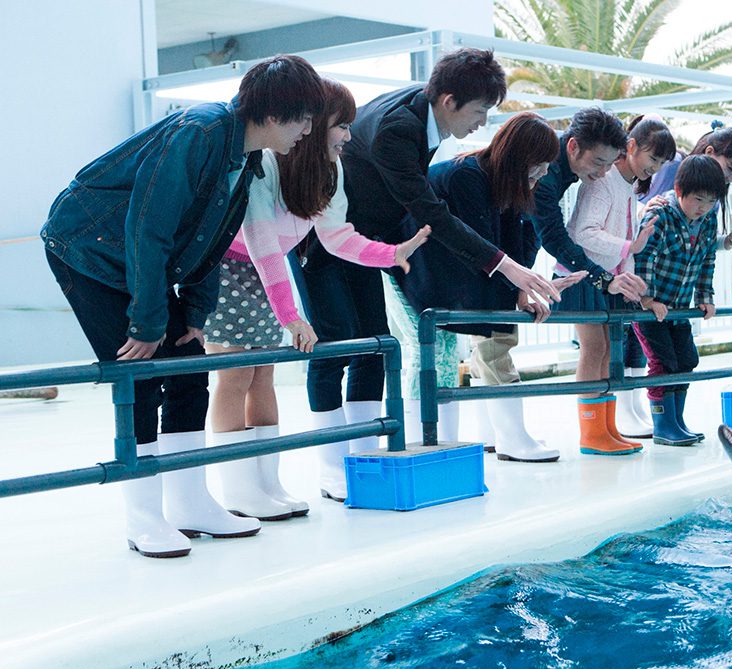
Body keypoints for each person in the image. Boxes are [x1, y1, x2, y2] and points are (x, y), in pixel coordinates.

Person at [40, 55, 326, 558]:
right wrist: (148, 320)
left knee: (192, 371)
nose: (307, 131)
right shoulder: (198, 132)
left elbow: (208, 240)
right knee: (141, 376)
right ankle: (144, 517)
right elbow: (147, 228)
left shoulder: (247, 157)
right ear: (276, 112)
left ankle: (191, 503)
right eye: (304, 118)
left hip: (135, 259)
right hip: (88, 251)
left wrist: (195, 313)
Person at [291, 48, 558, 472]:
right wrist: (506, 266)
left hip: (365, 243)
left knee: (375, 346)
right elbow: (431, 211)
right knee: (334, 346)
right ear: (449, 100)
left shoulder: (422, 110)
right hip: (321, 241)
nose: (483, 122)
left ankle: (359, 459)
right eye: (480, 109)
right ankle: (330, 465)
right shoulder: (399, 129)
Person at [204, 79, 430, 513]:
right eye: (340, 126)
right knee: (235, 375)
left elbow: (336, 236)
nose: (348, 136)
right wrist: (291, 315)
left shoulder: (330, 170)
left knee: (263, 375)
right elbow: (264, 246)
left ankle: (266, 484)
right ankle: (237, 489)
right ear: (310, 126)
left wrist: (390, 253)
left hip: (266, 272)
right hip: (228, 267)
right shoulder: (264, 164)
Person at [389, 112, 581, 459]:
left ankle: (458, 442)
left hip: (443, 273)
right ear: (515, 158)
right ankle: (426, 444)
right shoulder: (468, 176)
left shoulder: (511, 186)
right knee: (429, 351)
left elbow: (520, 241)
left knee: (451, 350)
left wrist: (523, 290)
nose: (540, 176)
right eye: (535, 167)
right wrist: (517, 289)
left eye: (544, 168)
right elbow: (480, 248)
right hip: (406, 266)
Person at [560, 114, 675, 455]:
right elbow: (583, 233)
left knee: (609, 350)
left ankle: (605, 428)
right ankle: (591, 433)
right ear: (632, 146)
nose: (654, 168)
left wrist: (632, 276)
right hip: (581, 274)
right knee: (594, 348)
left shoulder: (627, 186)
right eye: (652, 158)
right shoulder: (604, 180)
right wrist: (630, 250)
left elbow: (626, 236)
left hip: (607, 279)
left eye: (662, 163)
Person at [634, 155, 728, 445]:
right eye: (698, 200)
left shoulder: (708, 219)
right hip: (650, 310)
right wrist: (647, 299)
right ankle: (663, 425)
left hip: (679, 308)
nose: (703, 208)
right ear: (679, 190)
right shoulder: (659, 213)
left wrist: (704, 297)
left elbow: (707, 258)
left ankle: (677, 420)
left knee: (687, 359)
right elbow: (643, 256)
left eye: (711, 201)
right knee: (664, 363)